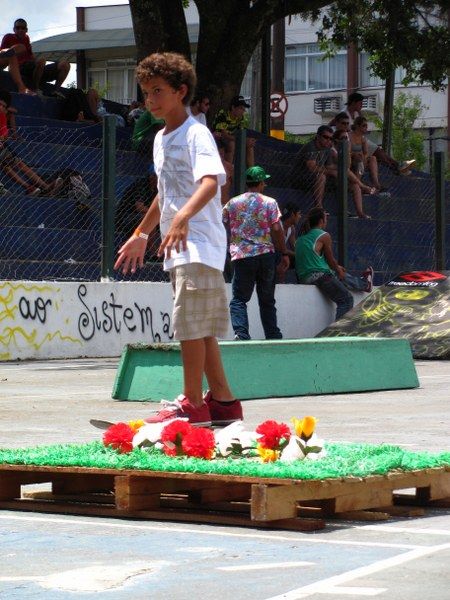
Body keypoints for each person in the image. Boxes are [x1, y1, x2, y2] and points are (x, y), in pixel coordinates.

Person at [114, 52, 242, 427]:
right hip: (179, 246)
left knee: (189, 326)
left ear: (181, 91)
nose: (150, 99)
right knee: (200, 328)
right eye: (146, 92)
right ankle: (223, 402)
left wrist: (184, 217)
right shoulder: (160, 138)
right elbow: (164, 194)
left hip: (199, 244)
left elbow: (211, 182)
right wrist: (141, 232)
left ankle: (192, 404)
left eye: (158, 91)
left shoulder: (195, 133)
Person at [223, 165, 289, 340]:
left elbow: (224, 223)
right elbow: (276, 228)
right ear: (260, 183)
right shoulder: (269, 202)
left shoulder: (233, 203)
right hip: (265, 254)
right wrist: (283, 252)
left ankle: (241, 334)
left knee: (239, 299)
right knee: (267, 299)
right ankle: (272, 335)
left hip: (242, 255)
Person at [295, 207, 374, 320]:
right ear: (321, 221)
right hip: (319, 276)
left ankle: (364, 284)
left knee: (336, 273)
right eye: (326, 219)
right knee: (346, 300)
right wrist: (337, 269)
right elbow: (330, 259)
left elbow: (318, 261)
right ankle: (339, 330)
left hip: (305, 278)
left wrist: (337, 268)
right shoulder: (323, 235)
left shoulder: (300, 239)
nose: (326, 221)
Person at [295, 125, 372, 218]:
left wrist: (345, 156)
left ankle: (360, 213)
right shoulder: (311, 147)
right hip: (301, 177)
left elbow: (331, 166)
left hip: (318, 179)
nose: (328, 140)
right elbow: (312, 167)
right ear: (318, 136)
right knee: (322, 176)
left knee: (354, 184)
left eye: (330, 138)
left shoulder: (327, 148)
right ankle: (319, 208)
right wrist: (331, 171)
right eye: (325, 137)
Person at [331, 94, 415, 175]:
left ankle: (398, 166)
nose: (362, 105)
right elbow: (331, 124)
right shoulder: (344, 113)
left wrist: (359, 112)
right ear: (353, 103)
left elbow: (361, 122)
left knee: (379, 151)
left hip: (359, 138)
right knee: (378, 153)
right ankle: (397, 167)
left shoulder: (356, 113)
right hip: (352, 141)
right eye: (360, 103)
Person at [0, 89, 62, 196]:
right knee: (6, 164)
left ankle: (45, 187)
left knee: (16, 162)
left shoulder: (2, 117)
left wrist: (1, 141)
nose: (1, 108)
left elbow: (4, 135)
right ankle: (29, 187)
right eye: (0, 104)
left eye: (3, 106)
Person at [1, 19, 70, 94]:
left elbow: (31, 56)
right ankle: (35, 88)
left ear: (26, 30)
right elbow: (3, 54)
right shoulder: (8, 37)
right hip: (20, 68)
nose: (20, 30)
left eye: (23, 28)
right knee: (41, 60)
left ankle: (56, 91)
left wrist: (39, 67)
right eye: (18, 28)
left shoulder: (26, 38)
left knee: (65, 64)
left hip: (33, 69)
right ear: (14, 29)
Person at [115, 163, 159, 251]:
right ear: (152, 176)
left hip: (139, 219)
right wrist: (156, 213)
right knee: (150, 219)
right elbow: (139, 207)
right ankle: (152, 250)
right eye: (158, 176)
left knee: (151, 222)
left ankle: (137, 246)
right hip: (126, 217)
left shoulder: (156, 188)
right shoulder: (141, 185)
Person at [212, 95, 255, 166]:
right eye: (241, 108)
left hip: (230, 138)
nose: (243, 111)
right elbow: (224, 135)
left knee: (249, 144)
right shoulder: (223, 115)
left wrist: (247, 140)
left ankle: (252, 171)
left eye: (244, 109)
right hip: (217, 139)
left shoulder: (240, 117)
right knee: (231, 144)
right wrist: (242, 140)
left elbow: (241, 133)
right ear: (233, 107)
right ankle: (228, 170)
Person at [276, 203, 302, 283]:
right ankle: (280, 283)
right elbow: (280, 248)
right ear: (292, 215)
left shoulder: (292, 228)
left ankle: (302, 282)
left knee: (300, 259)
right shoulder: (277, 225)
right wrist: (297, 254)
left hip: (280, 254)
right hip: (270, 254)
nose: (300, 216)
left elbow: (295, 247)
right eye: (299, 214)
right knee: (281, 257)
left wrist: (302, 254)